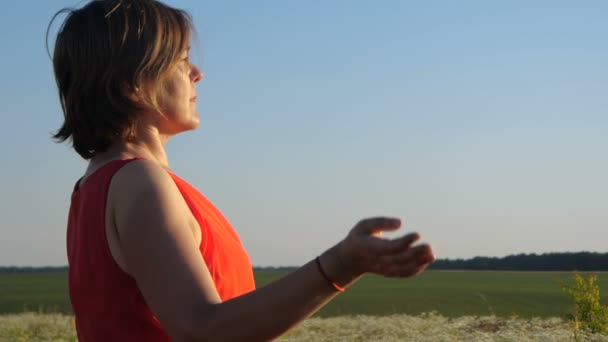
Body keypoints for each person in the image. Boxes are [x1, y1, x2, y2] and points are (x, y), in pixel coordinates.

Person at [49, 0, 436, 340]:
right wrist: (340, 264)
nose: (196, 73)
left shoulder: (95, 186)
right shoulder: (137, 182)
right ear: (132, 84)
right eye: (181, 59)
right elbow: (202, 329)